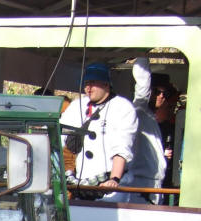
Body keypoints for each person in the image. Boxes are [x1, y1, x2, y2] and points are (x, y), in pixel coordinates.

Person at [61, 62, 138, 199]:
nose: (88, 88)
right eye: (86, 84)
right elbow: (59, 134)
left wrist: (114, 179)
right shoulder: (77, 105)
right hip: (79, 183)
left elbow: (122, 146)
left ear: (106, 84)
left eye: (93, 83)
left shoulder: (122, 107)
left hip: (109, 185)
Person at [105, 57, 167, 204]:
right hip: (140, 183)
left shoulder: (152, 117)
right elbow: (142, 87)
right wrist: (142, 57)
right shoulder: (139, 110)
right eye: (158, 92)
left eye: (166, 94)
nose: (162, 97)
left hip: (154, 183)